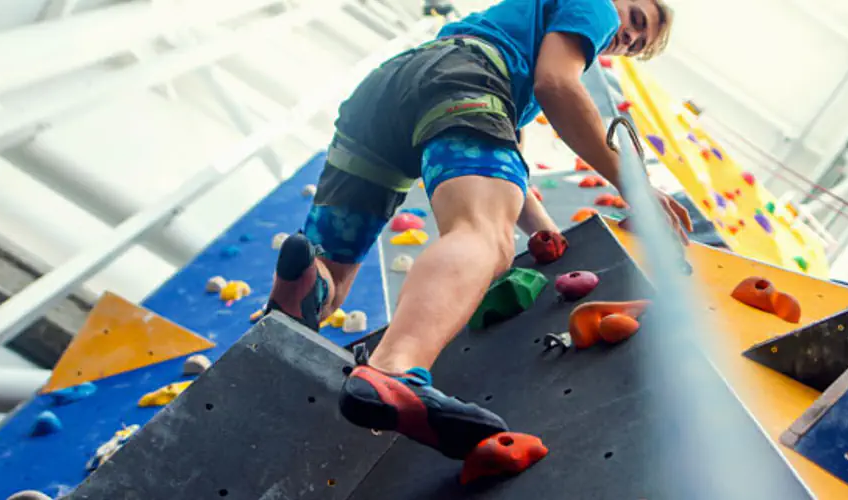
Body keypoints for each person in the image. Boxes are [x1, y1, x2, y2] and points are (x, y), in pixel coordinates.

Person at [263, 0, 684, 460]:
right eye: (636, 19)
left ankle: (304, 293)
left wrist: (544, 231)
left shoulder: (519, 46)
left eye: (637, 45)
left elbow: (508, 162)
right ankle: (395, 370)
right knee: (483, 235)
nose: (627, 37)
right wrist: (637, 186)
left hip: (385, 98)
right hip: (464, 78)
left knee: (335, 272)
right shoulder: (594, 7)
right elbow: (557, 84)